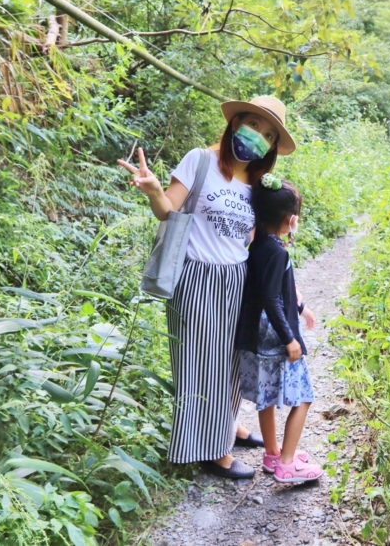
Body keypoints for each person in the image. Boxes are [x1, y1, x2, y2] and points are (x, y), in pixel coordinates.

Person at [118, 96, 297, 480]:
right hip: (196, 276)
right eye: (254, 125)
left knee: (231, 362)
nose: (259, 137)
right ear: (235, 124)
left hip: (236, 279)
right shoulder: (199, 160)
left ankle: (226, 426)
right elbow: (170, 209)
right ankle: (212, 453)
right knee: (200, 363)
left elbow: (254, 235)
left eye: (268, 134)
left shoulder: (256, 184)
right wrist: (152, 190)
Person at [234, 174, 322, 483]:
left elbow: (270, 292)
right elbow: (272, 298)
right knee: (305, 398)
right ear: (291, 219)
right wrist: (290, 339)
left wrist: (300, 307)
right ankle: (287, 463)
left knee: (267, 398)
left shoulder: (256, 243)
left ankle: (273, 454)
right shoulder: (277, 252)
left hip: (256, 338)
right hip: (274, 339)